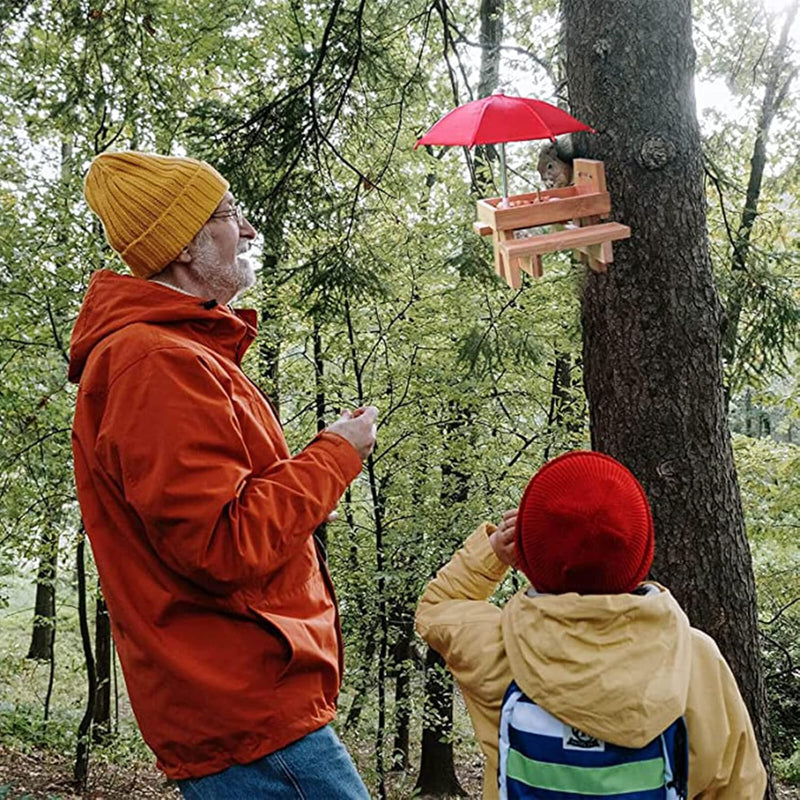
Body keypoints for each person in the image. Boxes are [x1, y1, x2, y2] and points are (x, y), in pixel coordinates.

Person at [69, 151, 375, 798]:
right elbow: (223, 545)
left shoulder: (176, 353)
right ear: (186, 242)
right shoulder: (153, 362)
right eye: (231, 214)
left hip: (253, 712)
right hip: (250, 719)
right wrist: (336, 455)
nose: (250, 231)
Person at [415, 450, 767, 799]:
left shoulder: (496, 648)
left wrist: (494, 549)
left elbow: (437, 606)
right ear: (641, 552)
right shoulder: (695, 659)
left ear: (530, 556)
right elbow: (739, 788)